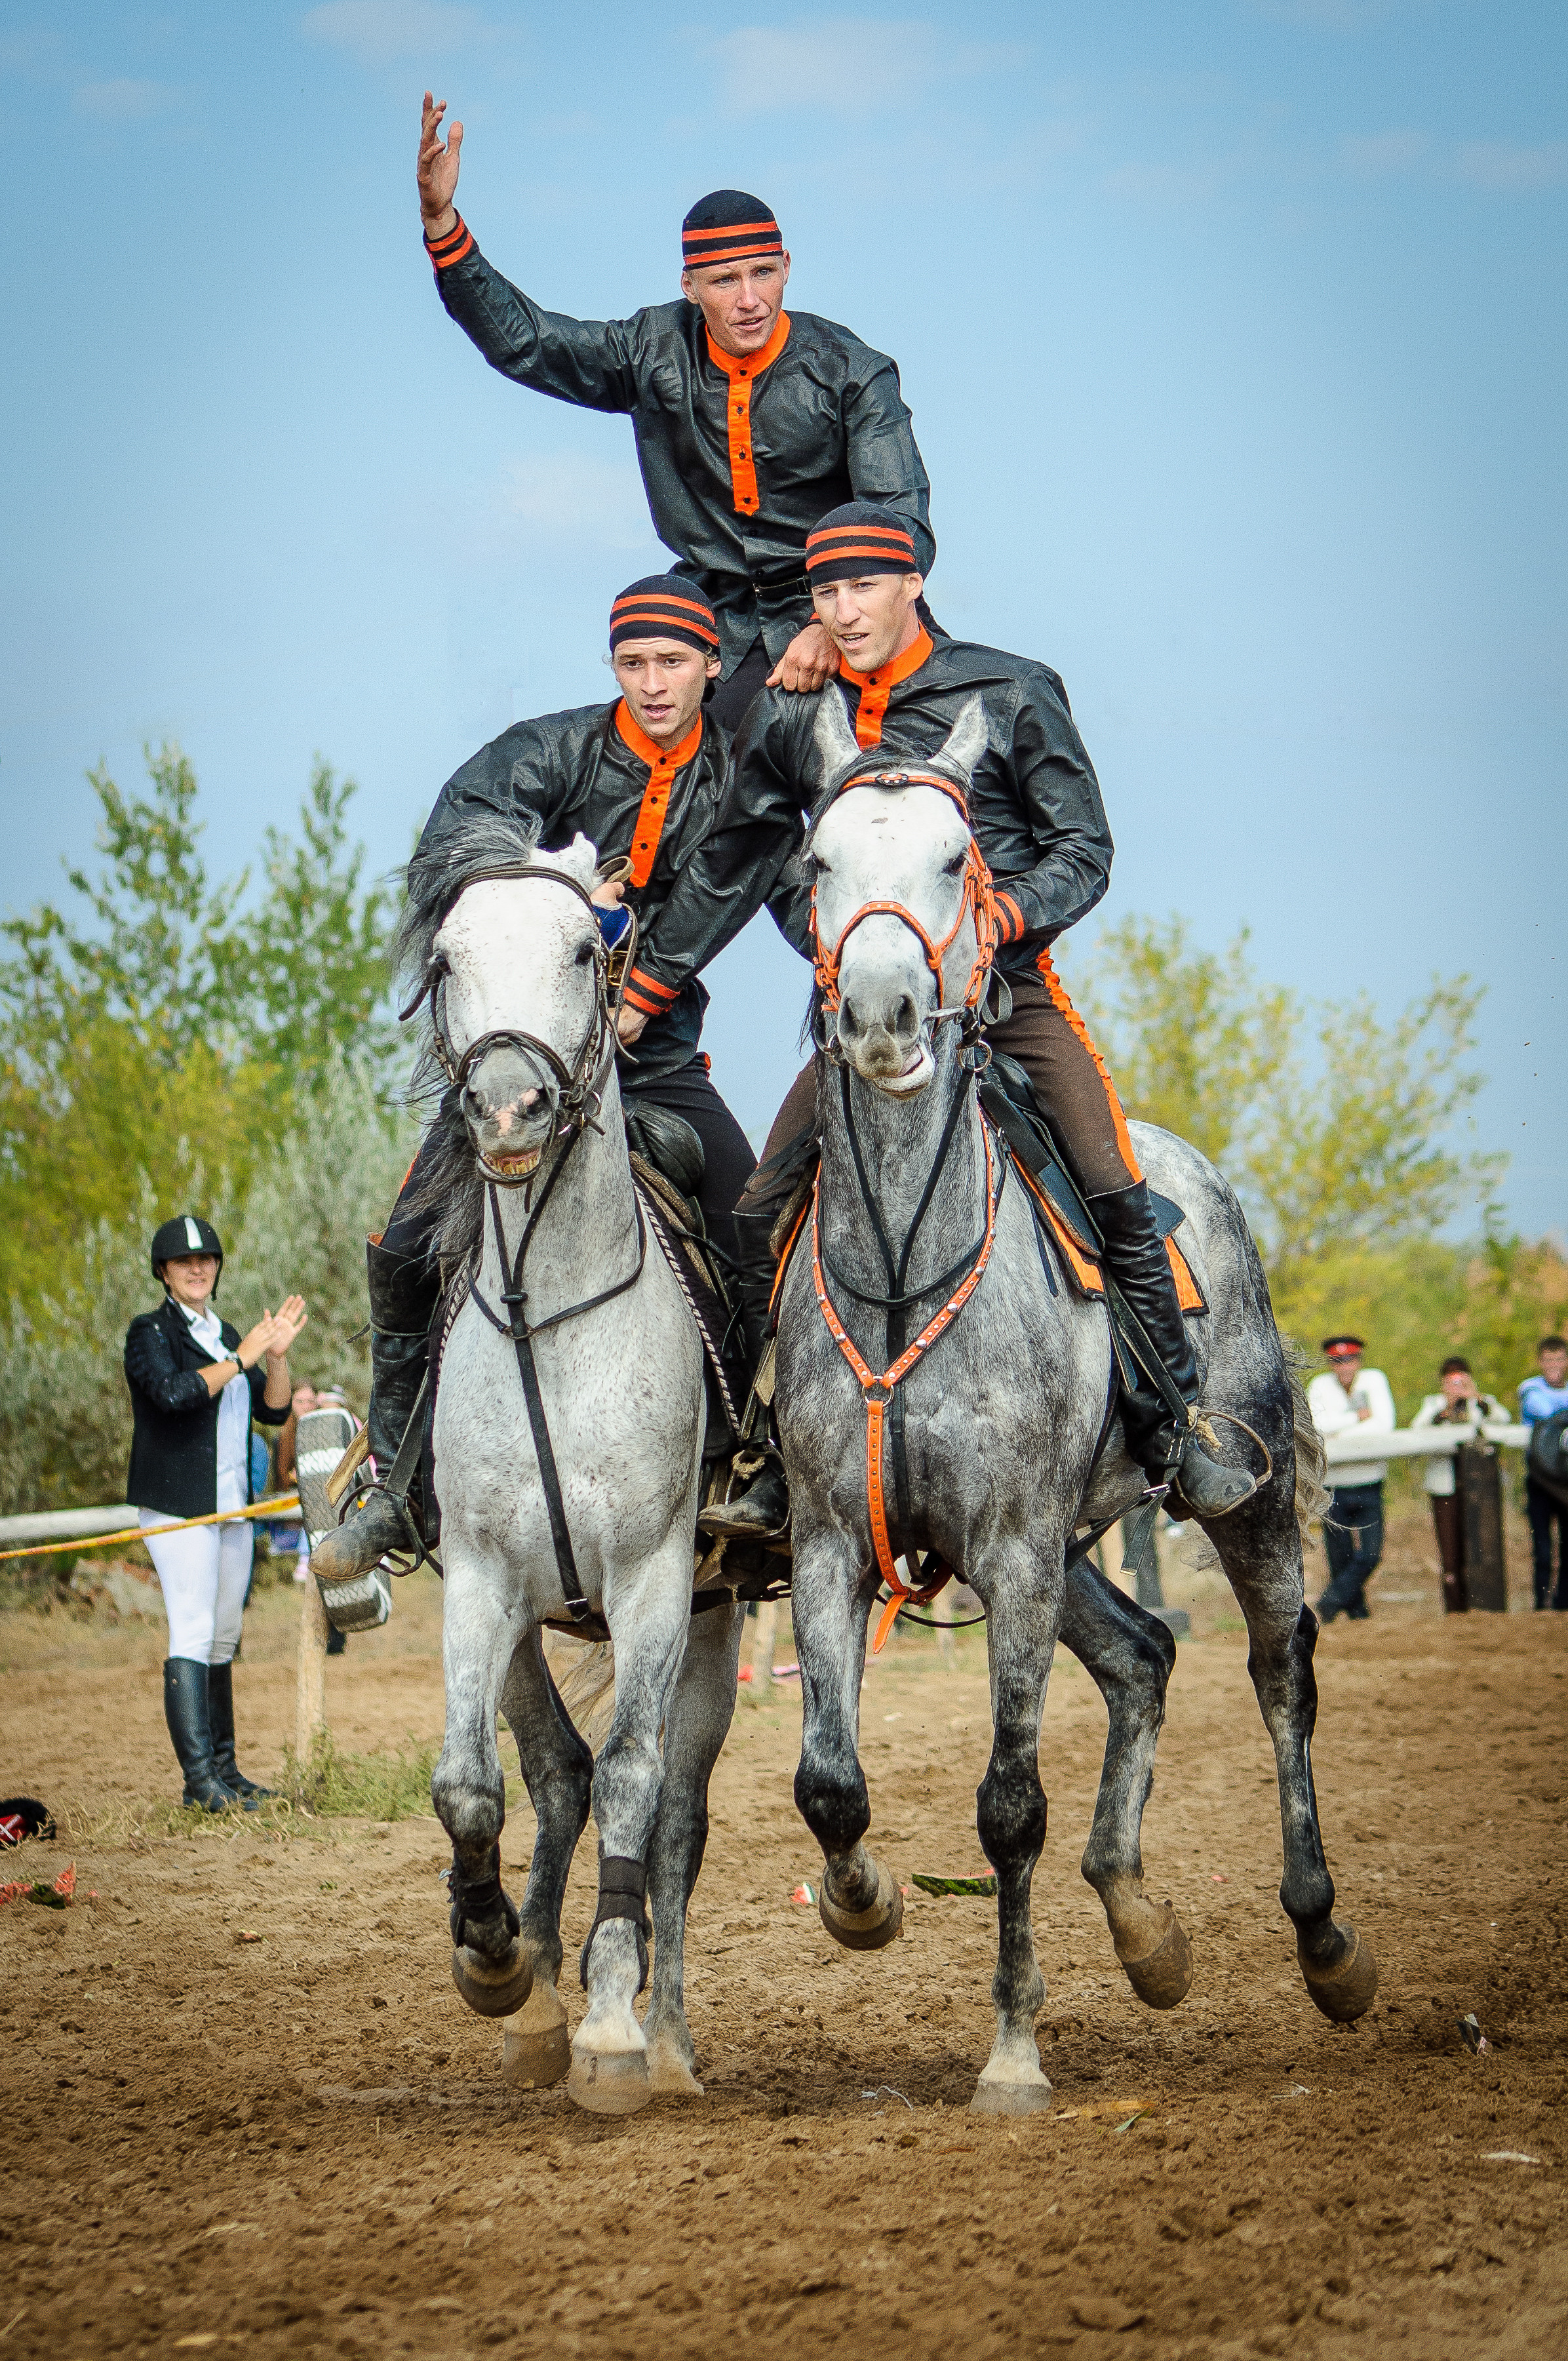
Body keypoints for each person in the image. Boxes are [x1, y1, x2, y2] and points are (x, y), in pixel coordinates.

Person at [621, 502, 1258, 1539]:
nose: (843, 608)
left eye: (861, 587)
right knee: (760, 1208)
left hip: (1007, 1001)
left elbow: (1085, 847)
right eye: (825, 592)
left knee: (1112, 1184)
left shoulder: (1012, 690)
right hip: (864, 1020)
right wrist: (723, 966)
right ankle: (775, 1448)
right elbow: (746, 857)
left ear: (914, 581)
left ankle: (1175, 1424)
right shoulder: (796, 713)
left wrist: (1006, 912)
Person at [311, 576, 758, 1587]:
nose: (652, 683)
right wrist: (553, 888)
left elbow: (736, 887)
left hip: (659, 1060)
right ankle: (394, 1487)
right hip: (520, 1056)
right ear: (613, 667)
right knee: (405, 1244)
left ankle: (756, 1459)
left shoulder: (738, 778)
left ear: (713, 665)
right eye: (633, 664)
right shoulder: (545, 748)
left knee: (756, 1219)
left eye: (673, 663)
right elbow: (453, 847)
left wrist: (636, 960)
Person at [416, 94, 934, 730]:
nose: (749, 300)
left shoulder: (853, 370)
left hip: (851, 615)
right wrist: (443, 226)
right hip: (724, 626)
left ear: (787, 269)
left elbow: (900, 519)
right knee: (677, 772)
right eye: (724, 281)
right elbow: (529, 343)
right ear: (688, 286)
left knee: (929, 768)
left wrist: (829, 625)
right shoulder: (650, 349)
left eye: (763, 274)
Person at [124, 1217, 307, 1810]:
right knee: (194, 1629)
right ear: (165, 1272)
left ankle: (226, 1771)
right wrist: (241, 1353)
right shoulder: (149, 1331)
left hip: (232, 1507)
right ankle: (198, 1782)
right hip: (179, 1506)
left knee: (225, 1635)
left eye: (206, 1260)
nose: (197, 1268)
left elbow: (274, 1413)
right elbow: (174, 1394)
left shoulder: (225, 1332)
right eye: (184, 1262)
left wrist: (273, 1358)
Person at [1306, 1335, 1396, 1623]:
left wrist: (1339, 1432)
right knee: (1339, 1555)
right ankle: (1357, 1612)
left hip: (1370, 1478)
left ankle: (1330, 1601)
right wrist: (1357, 1419)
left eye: (1349, 1359)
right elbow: (1317, 1428)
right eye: (1337, 1361)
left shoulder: (1374, 1380)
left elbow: (1385, 1426)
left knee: (1371, 1554)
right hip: (1333, 1483)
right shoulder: (1319, 1386)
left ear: (1358, 1360)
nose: (1344, 1366)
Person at [1411, 1357, 1504, 1614]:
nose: (1456, 1385)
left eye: (1461, 1379)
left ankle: (1482, 1603)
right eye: (1450, 1380)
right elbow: (1417, 1431)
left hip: (1478, 1489)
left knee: (1479, 1545)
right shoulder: (1433, 1405)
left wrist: (1477, 1398)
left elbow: (1501, 1421)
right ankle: (1455, 1608)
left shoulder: (1482, 1403)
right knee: (1449, 1548)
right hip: (1445, 1488)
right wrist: (1445, 1411)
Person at [1519, 1334, 1568, 1610]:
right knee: (1542, 1547)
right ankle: (1541, 1605)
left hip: (1565, 1479)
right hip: (1540, 1478)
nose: (1553, 1365)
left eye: (1558, 1358)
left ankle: (1563, 1604)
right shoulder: (1530, 1388)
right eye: (1548, 1359)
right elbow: (1540, 1409)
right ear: (1540, 1362)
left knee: (1567, 1544)